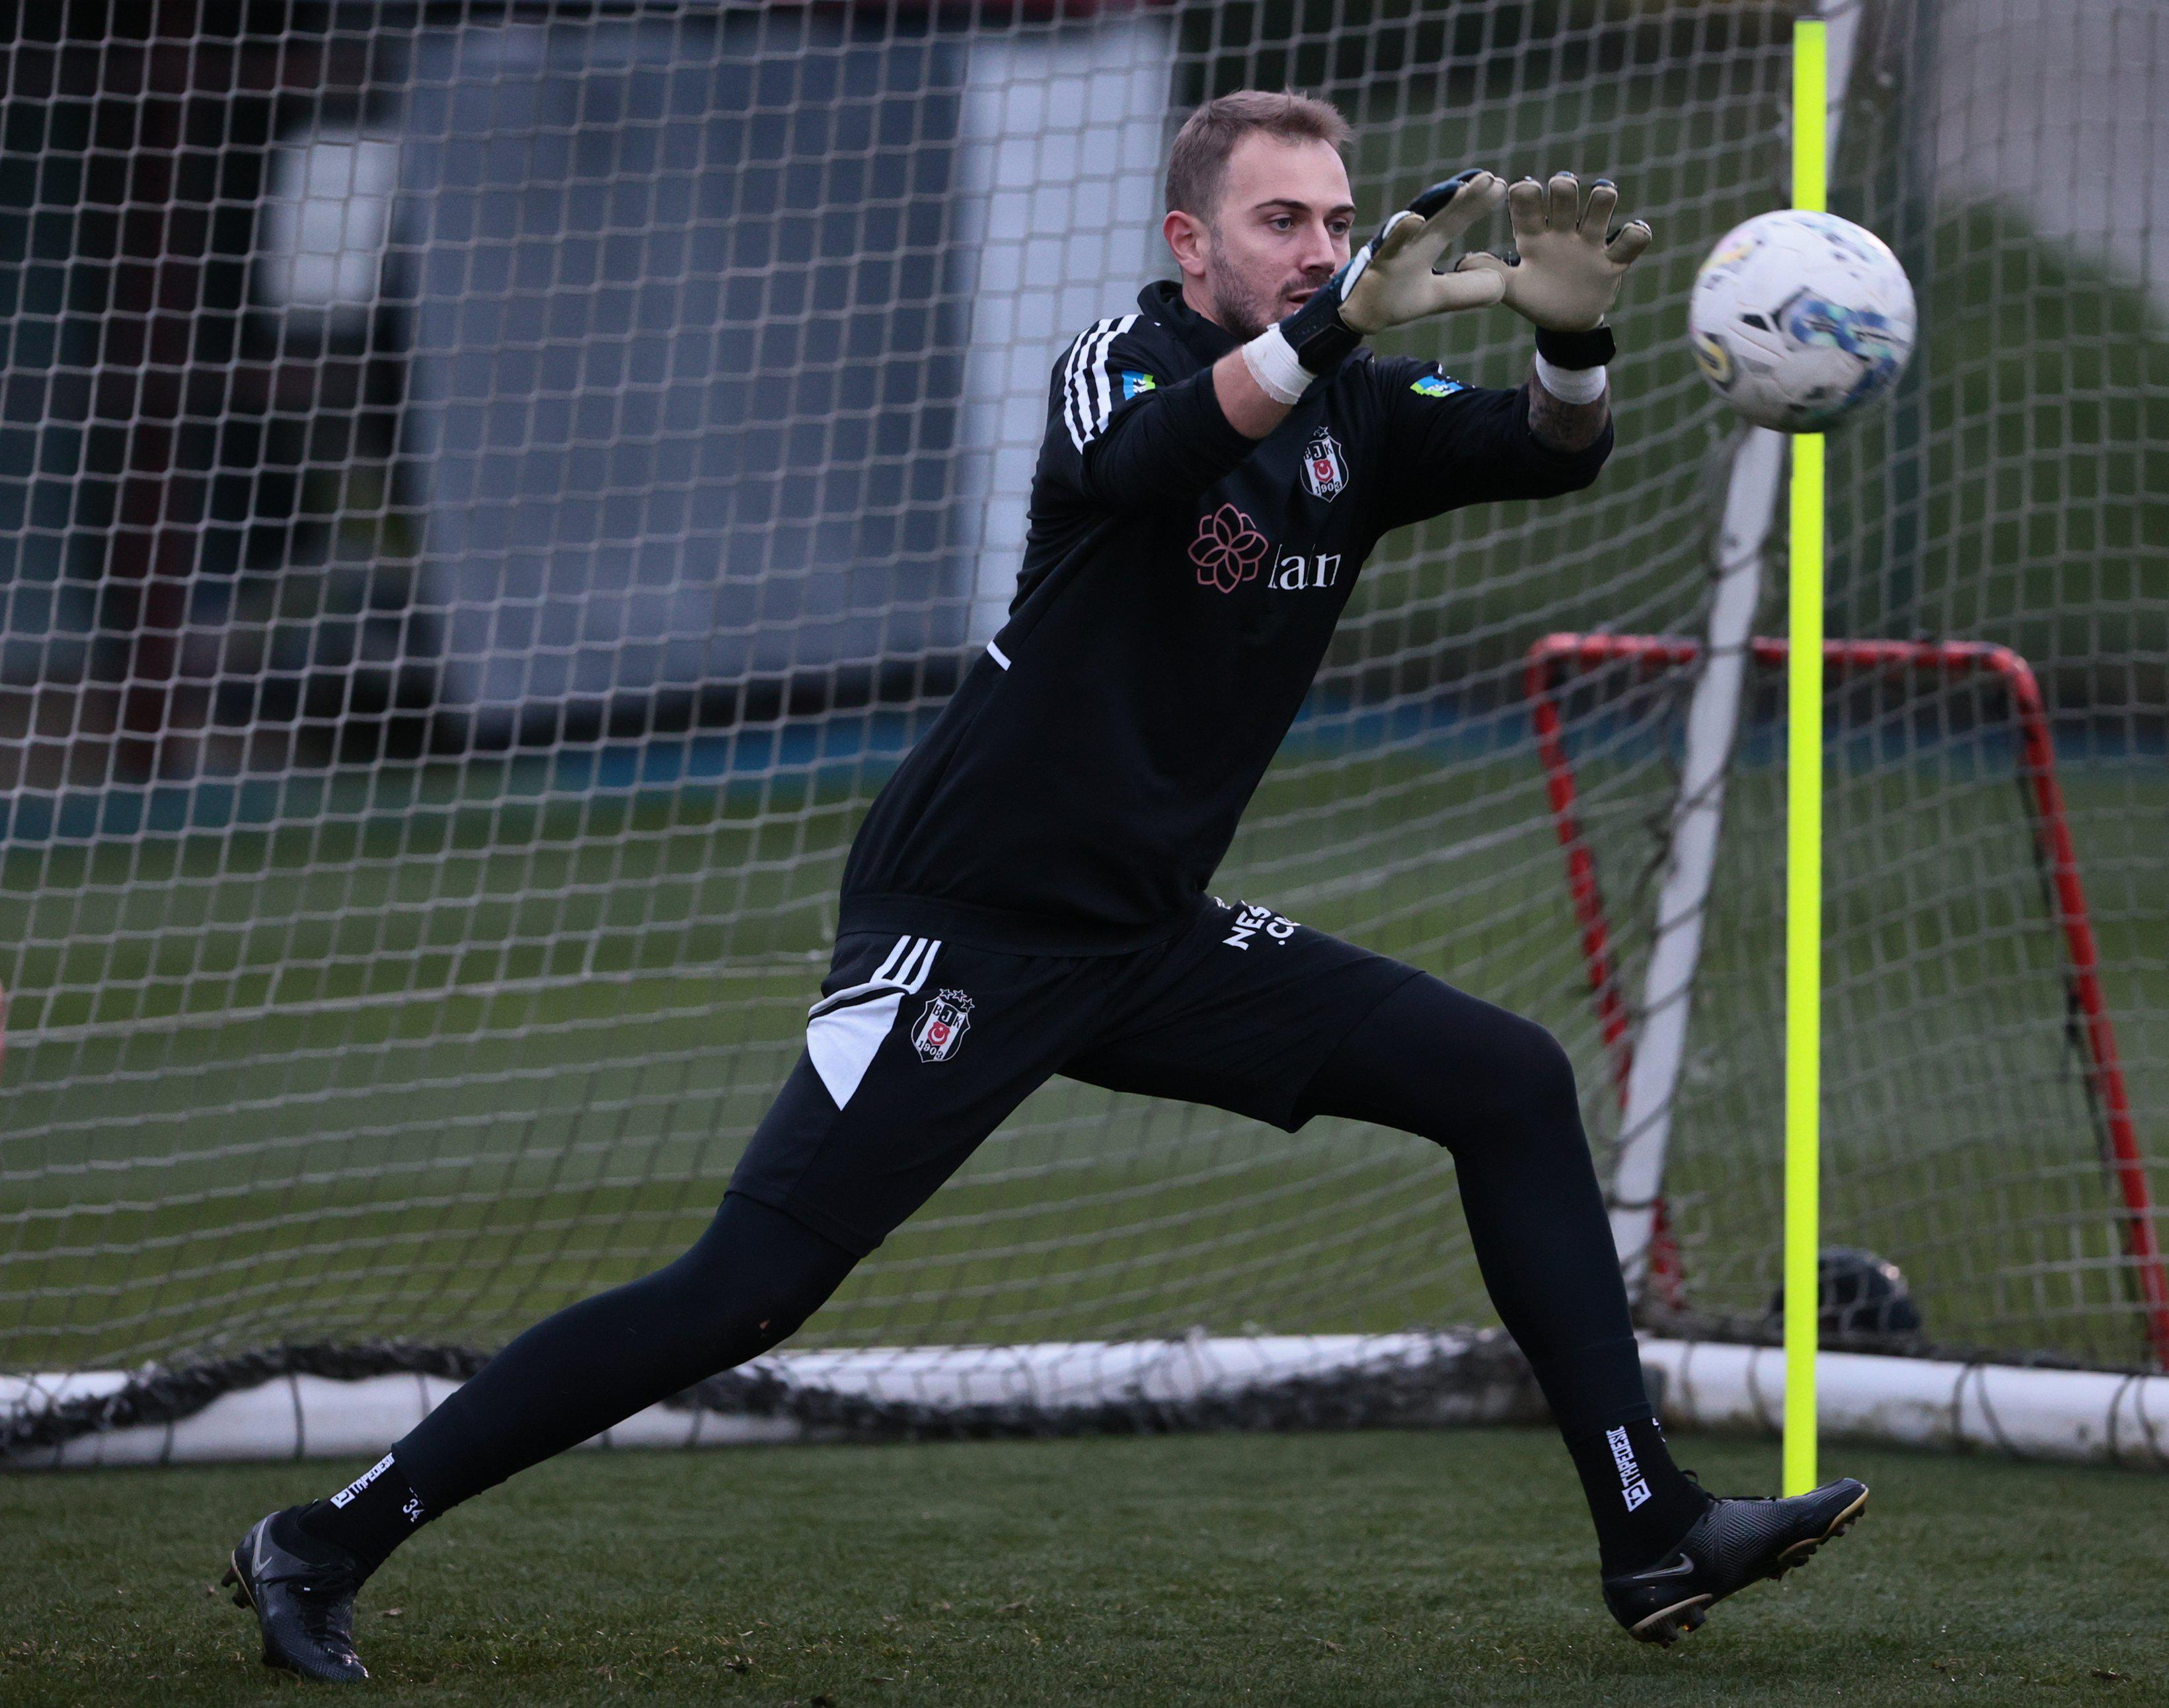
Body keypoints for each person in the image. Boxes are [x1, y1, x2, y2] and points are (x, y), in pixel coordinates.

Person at [221, 90, 1864, 1682]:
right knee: (745, 1292)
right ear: (1189, 240)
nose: (1320, 247)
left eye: (1341, 222)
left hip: (1146, 932)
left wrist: (1573, 337)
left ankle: (1652, 1529)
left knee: (1503, 1081)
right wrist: (1343, 325)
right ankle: (325, 1537)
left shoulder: (1357, 408)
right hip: (970, 923)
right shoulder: (1126, 360)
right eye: (1279, 220)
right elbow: (1155, 458)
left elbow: (1553, 453)